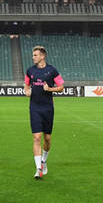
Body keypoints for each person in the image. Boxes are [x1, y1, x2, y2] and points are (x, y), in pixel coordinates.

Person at [25, 45, 65, 180]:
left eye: (35, 55)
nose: (33, 57)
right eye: (33, 55)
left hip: (48, 108)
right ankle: (38, 169)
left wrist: (49, 89)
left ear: (42, 56)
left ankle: (44, 160)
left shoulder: (52, 71)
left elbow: (61, 88)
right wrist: (27, 90)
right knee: (36, 138)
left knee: (47, 139)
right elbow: (26, 84)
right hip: (34, 108)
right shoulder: (30, 71)